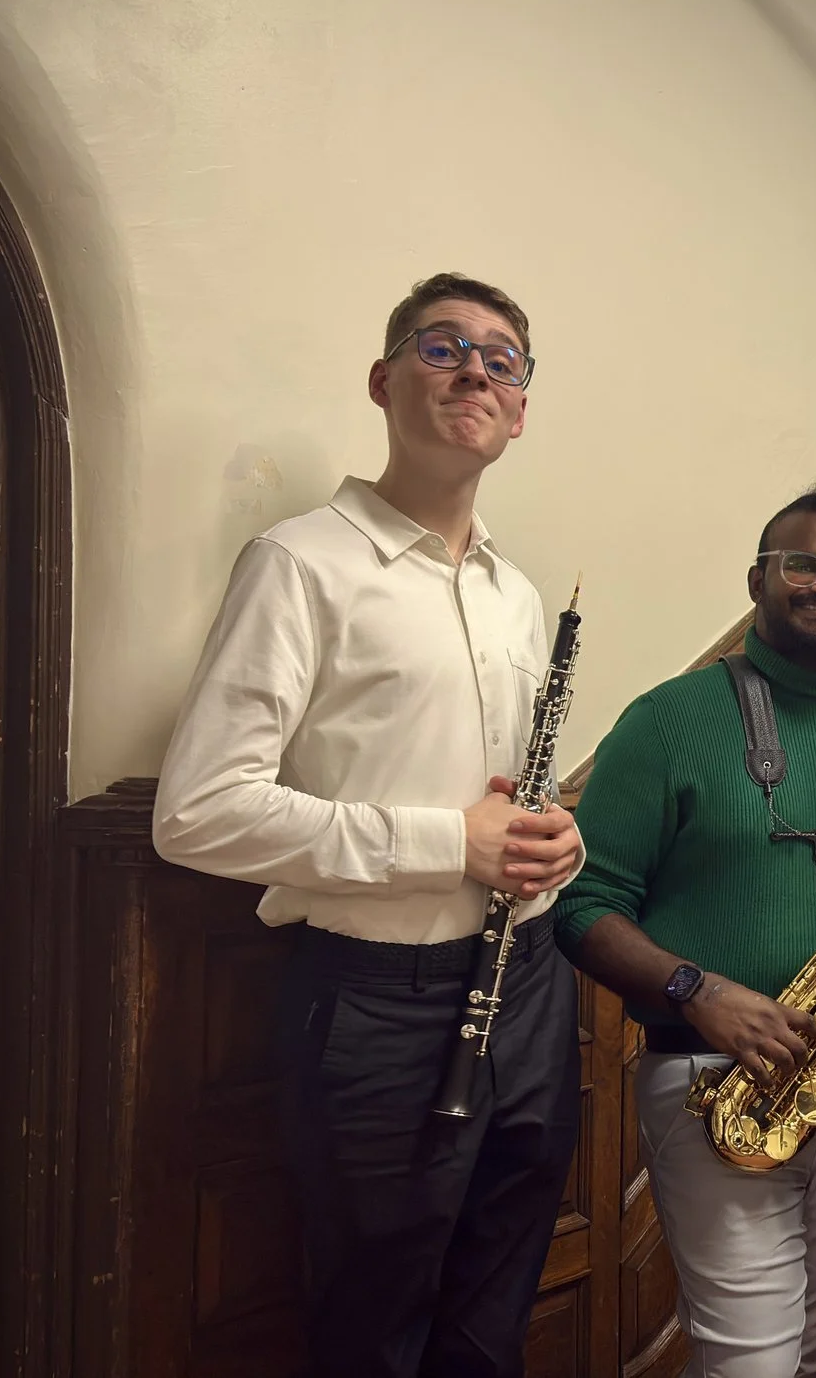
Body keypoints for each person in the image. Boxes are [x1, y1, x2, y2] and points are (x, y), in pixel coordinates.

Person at [153, 273, 584, 1377]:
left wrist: (550, 846)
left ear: (521, 408)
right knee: (372, 1321)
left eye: (502, 357)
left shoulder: (517, 594)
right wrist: (452, 844)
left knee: (497, 1303)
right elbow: (198, 812)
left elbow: (501, 800)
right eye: (443, 347)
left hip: (528, 977)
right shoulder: (301, 563)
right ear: (385, 380)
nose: (476, 368)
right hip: (373, 1002)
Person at [554, 479, 816, 1378]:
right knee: (753, 1362)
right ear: (756, 580)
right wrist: (697, 992)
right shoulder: (666, 721)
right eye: (804, 565)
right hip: (715, 1085)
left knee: (805, 1350)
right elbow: (581, 906)